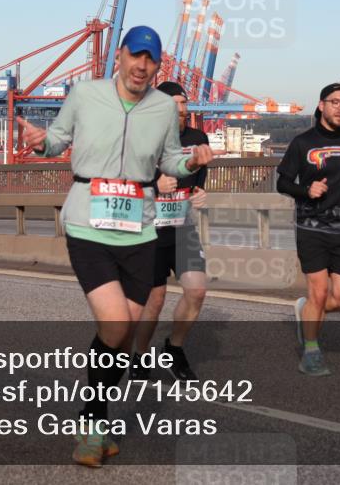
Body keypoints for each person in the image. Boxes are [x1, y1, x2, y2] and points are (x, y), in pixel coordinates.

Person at [15, 26, 213, 467]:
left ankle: (96, 421)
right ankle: (91, 426)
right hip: (88, 223)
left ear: (157, 66)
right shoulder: (85, 94)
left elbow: (169, 160)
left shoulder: (163, 108)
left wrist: (191, 161)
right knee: (116, 323)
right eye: (135, 56)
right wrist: (39, 141)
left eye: (151, 60)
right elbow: (57, 141)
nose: (142, 66)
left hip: (139, 229)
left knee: (123, 333)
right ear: (120, 56)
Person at [276, 82, 340, 376]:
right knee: (318, 293)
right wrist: (306, 189)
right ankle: (311, 351)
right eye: (335, 102)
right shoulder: (303, 142)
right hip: (311, 228)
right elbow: (282, 182)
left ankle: (305, 311)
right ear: (321, 105)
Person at [132, 81, 208, 382]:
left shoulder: (197, 138)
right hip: (150, 230)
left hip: (183, 228)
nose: (183, 108)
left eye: (184, 102)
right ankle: (138, 355)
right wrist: (154, 186)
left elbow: (198, 181)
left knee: (197, 291)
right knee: (155, 299)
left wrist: (202, 194)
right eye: (176, 103)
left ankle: (174, 349)